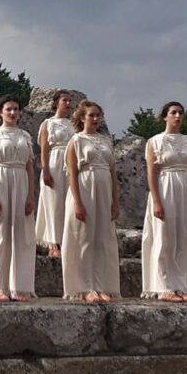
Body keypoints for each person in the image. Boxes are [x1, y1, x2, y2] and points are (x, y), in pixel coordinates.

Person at [0, 95, 37, 303]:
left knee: (21, 236)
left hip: (20, 182)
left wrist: (31, 195)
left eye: (16, 109)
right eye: (8, 109)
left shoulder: (25, 136)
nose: (13, 113)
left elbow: (30, 167)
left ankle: (18, 285)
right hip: (0, 181)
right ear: (0, 112)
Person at [141, 101, 187, 303]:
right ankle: (164, 286)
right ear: (165, 116)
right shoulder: (155, 142)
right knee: (164, 237)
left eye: (180, 113)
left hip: (185, 188)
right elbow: (151, 172)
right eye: (173, 112)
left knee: (184, 238)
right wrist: (156, 201)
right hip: (165, 186)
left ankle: (182, 286)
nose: (177, 116)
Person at [62, 100, 120, 303]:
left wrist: (115, 200)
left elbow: (113, 172)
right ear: (82, 118)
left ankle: (99, 285)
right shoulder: (76, 141)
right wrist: (77, 202)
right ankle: (85, 287)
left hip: (104, 190)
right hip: (85, 188)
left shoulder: (106, 141)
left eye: (98, 115)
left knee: (101, 239)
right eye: (91, 115)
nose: (95, 119)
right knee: (85, 238)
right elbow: (71, 173)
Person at [35, 90, 75, 258]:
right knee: (54, 204)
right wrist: (45, 170)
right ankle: (54, 244)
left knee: (69, 204)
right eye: (64, 100)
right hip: (54, 162)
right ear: (56, 103)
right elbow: (44, 149)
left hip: (71, 164)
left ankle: (68, 242)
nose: (67, 103)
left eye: (69, 100)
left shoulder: (74, 124)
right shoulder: (48, 124)